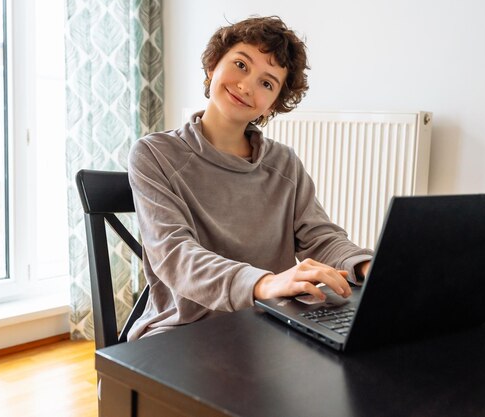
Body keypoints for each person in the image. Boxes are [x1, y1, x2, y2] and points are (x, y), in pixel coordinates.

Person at [127, 16, 373, 340]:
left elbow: (321, 238)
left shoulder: (284, 164)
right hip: (181, 335)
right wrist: (264, 284)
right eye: (241, 65)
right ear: (213, 65)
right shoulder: (154, 153)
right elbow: (175, 255)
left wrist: (370, 268)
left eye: (267, 83)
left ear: (271, 106)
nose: (246, 86)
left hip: (266, 327)